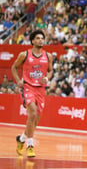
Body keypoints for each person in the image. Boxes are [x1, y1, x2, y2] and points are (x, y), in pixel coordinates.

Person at [11, 30, 53, 158]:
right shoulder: (24, 54)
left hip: (41, 89)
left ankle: (21, 139)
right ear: (33, 41)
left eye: (42, 38)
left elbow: (50, 71)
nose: (41, 40)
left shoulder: (48, 56)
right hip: (28, 87)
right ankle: (30, 145)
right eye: (38, 38)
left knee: (34, 121)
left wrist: (47, 78)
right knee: (33, 113)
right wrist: (18, 81)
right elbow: (13, 67)